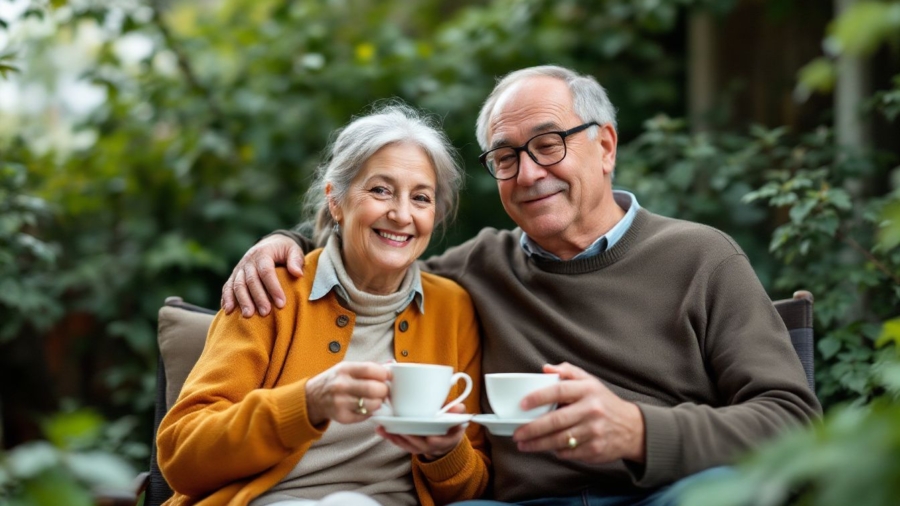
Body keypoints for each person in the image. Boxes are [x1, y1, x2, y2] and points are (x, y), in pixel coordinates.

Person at [220, 66, 822, 505]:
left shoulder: (701, 257)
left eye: (548, 144)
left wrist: (640, 432)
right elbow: (378, 253)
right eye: (505, 156)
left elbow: (792, 419)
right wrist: (289, 245)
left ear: (605, 145)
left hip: (669, 491)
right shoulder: (476, 269)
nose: (528, 173)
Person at [157, 104, 489, 506]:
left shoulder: (452, 308)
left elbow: (474, 489)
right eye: (381, 190)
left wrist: (445, 452)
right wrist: (308, 402)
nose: (402, 214)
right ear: (336, 200)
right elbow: (180, 455)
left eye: (421, 198)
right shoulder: (270, 288)